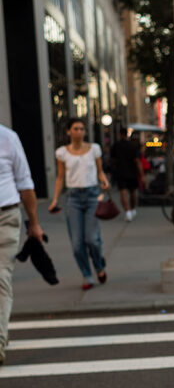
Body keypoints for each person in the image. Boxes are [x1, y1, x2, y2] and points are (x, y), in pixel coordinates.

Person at [0, 124, 44, 365]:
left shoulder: (8, 138)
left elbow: (25, 184)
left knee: (1, 277)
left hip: (5, 216)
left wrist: (34, 223)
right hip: (7, 213)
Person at [49, 118, 109, 289]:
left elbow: (100, 172)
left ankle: (99, 266)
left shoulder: (94, 149)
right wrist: (55, 199)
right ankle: (87, 275)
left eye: (82, 128)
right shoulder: (62, 152)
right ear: (68, 131)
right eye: (75, 128)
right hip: (73, 198)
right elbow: (60, 177)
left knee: (92, 239)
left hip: (92, 196)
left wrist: (104, 182)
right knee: (77, 244)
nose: (79, 132)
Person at [110, 132, 143, 221]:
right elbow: (137, 161)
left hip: (121, 172)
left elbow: (112, 160)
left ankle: (128, 212)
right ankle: (131, 210)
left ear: (120, 135)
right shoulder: (132, 146)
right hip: (132, 173)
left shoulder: (116, 145)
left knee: (123, 193)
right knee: (133, 193)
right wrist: (142, 175)